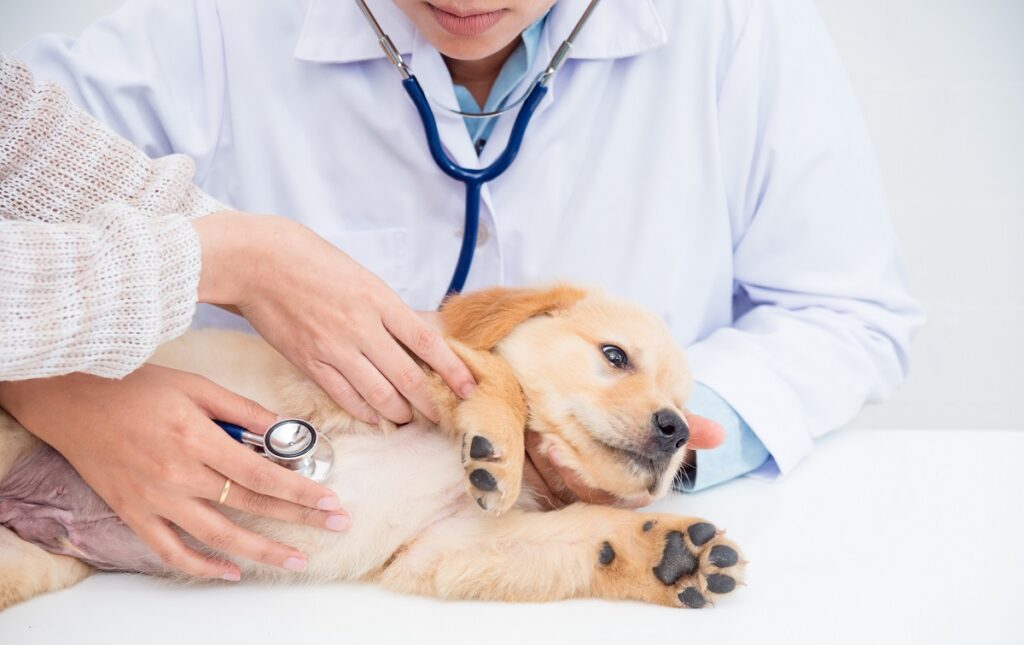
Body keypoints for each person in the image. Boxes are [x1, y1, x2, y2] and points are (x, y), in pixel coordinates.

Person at [0, 0, 920, 578]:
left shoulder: (738, 26)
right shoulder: (207, 28)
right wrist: (49, 386)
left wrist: (649, 448)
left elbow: (844, 312)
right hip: (203, 595)